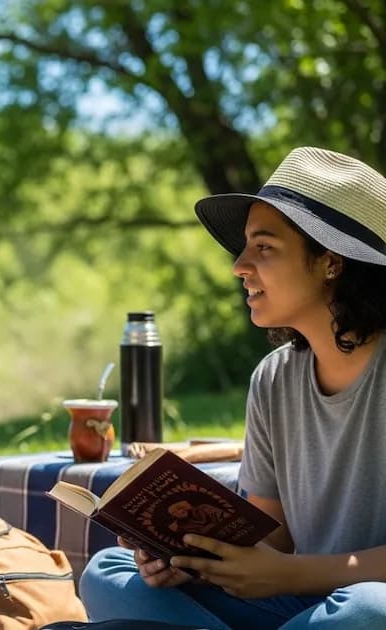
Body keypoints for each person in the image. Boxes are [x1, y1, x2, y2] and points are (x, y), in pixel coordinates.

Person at [79, 147, 386, 629]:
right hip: (298, 606)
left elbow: (287, 568)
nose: (238, 266)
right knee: (107, 573)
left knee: (367, 609)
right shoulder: (274, 378)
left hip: (355, 605)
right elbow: (273, 540)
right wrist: (187, 558)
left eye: (264, 247)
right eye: (244, 247)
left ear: (331, 262)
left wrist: (289, 575)